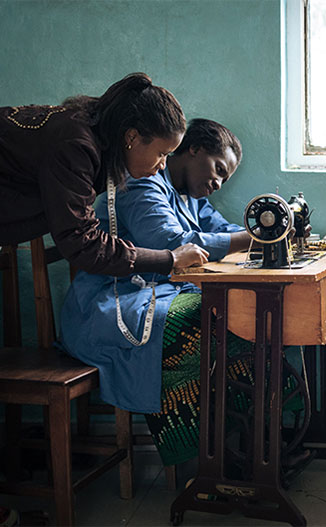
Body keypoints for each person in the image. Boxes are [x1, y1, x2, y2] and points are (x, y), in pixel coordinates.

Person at [58, 119, 260, 467]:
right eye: (217, 170)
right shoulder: (143, 182)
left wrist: (257, 230)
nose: (217, 183)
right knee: (199, 322)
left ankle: (245, 445)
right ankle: (206, 456)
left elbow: (221, 230)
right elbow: (169, 243)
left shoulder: (189, 197)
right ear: (193, 149)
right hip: (112, 299)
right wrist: (257, 236)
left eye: (224, 179)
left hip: (152, 293)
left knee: (236, 315)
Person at [0, 72, 208, 275]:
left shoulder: (90, 132)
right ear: (132, 137)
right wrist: (170, 259)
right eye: (162, 154)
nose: (163, 165)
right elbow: (82, 242)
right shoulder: (76, 146)